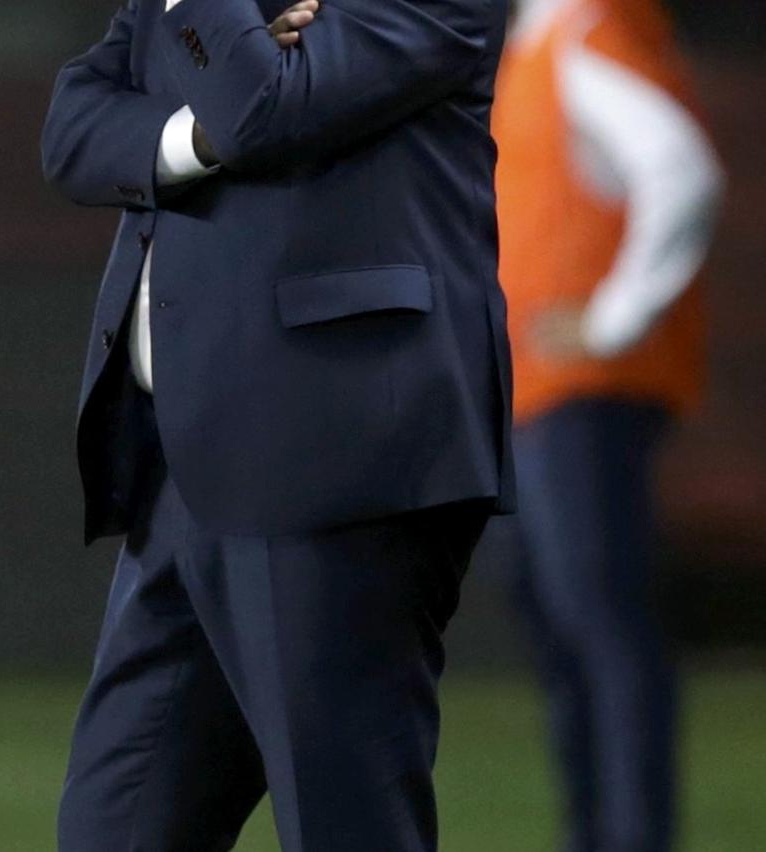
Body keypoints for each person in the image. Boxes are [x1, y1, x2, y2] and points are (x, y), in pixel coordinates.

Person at [41, 0, 513, 848]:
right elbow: (74, 128)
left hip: (336, 448)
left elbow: (263, 108)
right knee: (112, 827)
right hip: (183, 462)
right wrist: (198, 137)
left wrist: (231, 73)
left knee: (345, 825)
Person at [492, 1, 723, 849]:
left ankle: (629, 835)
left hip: (583, 389)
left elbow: (683, 172)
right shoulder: (543, 42)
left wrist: (613, 318)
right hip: (537, 391)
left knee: (599, 622)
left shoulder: (589, 30)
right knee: (562, 620)